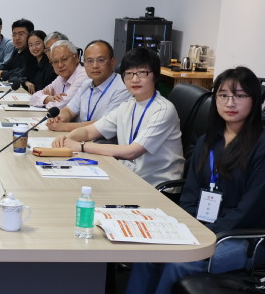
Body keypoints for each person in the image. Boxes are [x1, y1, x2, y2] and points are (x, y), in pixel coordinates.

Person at [105, 66, 265, 294]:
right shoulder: (207, 141)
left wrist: (207, 235)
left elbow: (251, 207)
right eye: (223, 95)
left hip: (245, 238)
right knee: (150, 252)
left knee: (180, 263)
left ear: (254, 101)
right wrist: (187, 225)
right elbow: (190, 193)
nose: (230, 103)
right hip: (202, 229)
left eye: (239, 96)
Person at [57, 47, 184, 186]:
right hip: (128, 177)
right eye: (129, 74)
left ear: (155, 75)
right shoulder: (127, 105)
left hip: (156, 186)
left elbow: (131, 152)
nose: (134, 79)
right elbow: (89, 131)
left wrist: (81, 146)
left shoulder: (163, 109)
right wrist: (66, 139)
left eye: (142, 73)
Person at [47, 40, 129, 131]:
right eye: (89, 61)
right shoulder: (86, 84)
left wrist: (64, 126)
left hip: (101, 139)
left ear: (112, 61)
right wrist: (58, 119)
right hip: (80, 136)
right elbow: (69, 110)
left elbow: (105, 124)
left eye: (101, 60)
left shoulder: (123, 87)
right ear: (84, 63)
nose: (95, 66)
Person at [29, 39, 87, 108]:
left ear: (76, 57)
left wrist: (46, 103)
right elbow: (33, 98)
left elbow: (61, 106)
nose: (60, 65)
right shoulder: (61, 77)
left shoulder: (83, 76)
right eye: (55, 61)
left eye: (64, 59)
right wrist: (48, 98)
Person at [22, 30, 55, 94]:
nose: (34, 48)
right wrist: (25, 82)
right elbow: (18, 76)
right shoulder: (31, 61)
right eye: (31, 45)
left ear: (44, 44)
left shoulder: (50, 64)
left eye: (38, 44)